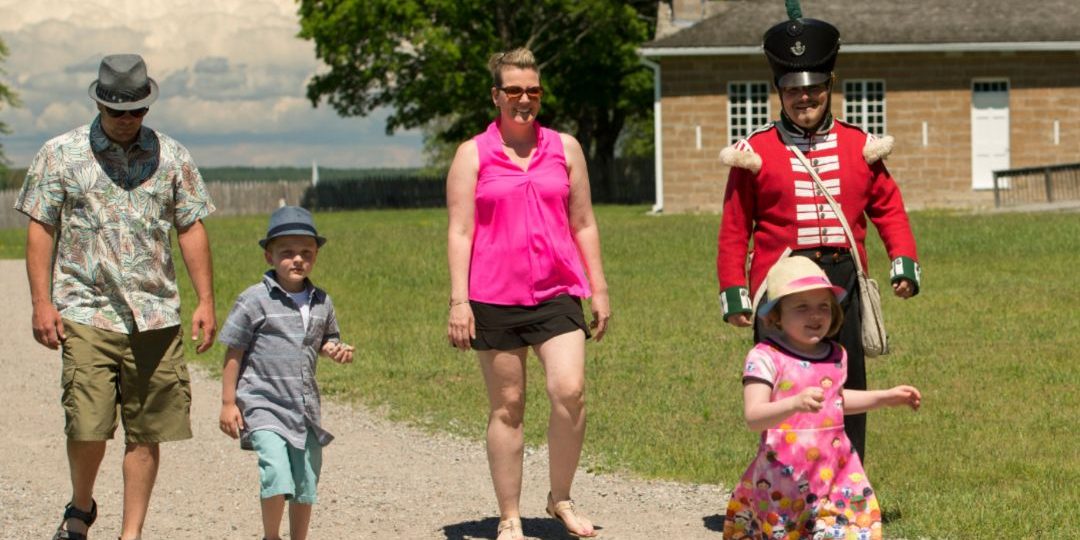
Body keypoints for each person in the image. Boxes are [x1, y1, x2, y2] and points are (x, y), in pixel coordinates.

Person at [15, 53, 216, 540]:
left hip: (155, 315)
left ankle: (132, 534)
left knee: (147, 431)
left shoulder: (172, 156)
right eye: (118, 112)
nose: (128, 121)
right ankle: (81, 507)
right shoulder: (60, 154)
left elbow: (190, 227)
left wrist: (206, 299)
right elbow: (42, 227)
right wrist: (42, 302)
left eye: (137, 112)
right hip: (86, 310)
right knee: (86, 425)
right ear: (101, 104)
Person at [716, 1, 921, 461]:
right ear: (779, 91)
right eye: (792, 89)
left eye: (812, 88)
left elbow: (888, 207)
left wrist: (902, 262)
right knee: (783, 390)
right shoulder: (756, 152)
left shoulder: (858, 145)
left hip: (842, 283)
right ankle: (783, 486)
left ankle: (847, 485)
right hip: (782, 286)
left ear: (828, 86)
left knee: (846, 385)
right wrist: (735, 293)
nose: (803, 98)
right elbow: (734, 229)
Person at [445, 47, 610, 540]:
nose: (524, 100)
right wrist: (459, 301)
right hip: (493, 295)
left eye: (532, 91)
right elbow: (460, 232)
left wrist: (598, 288)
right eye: (513, 90)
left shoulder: (566, 148)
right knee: (508, 406)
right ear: (496, 95)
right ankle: (510, 515)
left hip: (558, 290)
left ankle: (560, 497)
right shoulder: (472, 154)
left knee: (570, 391)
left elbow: (583, 222)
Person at [722, 256, 921, 540]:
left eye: (823, 307)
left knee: (853, 529)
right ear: (776, 314)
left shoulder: (836, 354)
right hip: (785, 479)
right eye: (802, 307)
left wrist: (884, 398)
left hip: (836, 471)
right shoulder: (765, 357)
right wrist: (794, 403)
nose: (815, 316)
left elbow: (835, 402)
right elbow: (754, 417)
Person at [217, 206, 354, 540]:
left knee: (306, 480)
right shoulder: (253, 300)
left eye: (306, 253)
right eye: (287, 252)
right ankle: (271, 536)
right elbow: (234, 350)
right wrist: (227, 402)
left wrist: (335, 349)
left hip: (304, 408)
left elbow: (324, 340)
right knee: (276, 472)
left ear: (316, 256)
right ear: (269, 255)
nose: (297, 260)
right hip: (263, 404)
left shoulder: (322, 301)